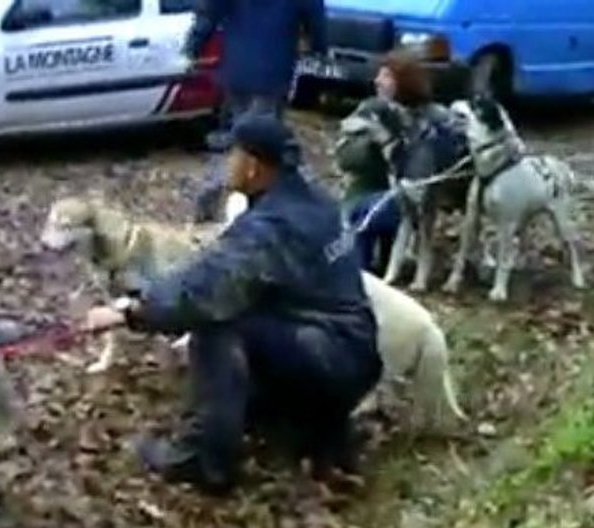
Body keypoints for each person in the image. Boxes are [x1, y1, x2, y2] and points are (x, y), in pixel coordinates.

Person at [83, 113, 382, 495]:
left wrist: (129, 312)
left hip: (327, 358)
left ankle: (204, 459)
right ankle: (312, 432)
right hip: (357, 353)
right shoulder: (317, 203)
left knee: (215, 324)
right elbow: (225, 270)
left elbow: (206, 290)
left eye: (233, 155)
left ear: (254, 167)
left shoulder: (271, 226)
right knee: (249, 310)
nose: (226, 164)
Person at [184, 0, 328, 223]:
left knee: (237, 138)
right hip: (273, 71)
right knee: (261, 148)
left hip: (237, 69)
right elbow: (316, 21)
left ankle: (211, 200)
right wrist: (319, 49)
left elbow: (210, 12)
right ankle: (252, 206)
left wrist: (193, 47)